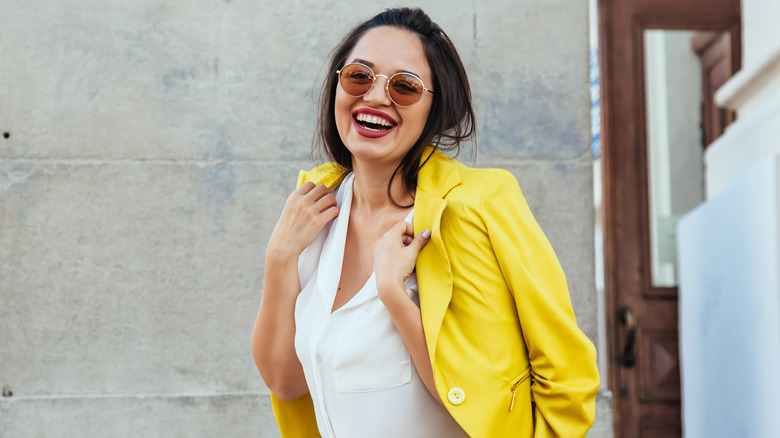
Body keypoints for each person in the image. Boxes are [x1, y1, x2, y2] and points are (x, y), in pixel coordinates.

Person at [251, 7, 599, 438]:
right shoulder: (312, 211)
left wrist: (394, 294)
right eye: (359, 76)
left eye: (405, 87)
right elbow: (286, 384)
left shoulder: (478, 204)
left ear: (436, 109)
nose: (376, 98)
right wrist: (279, 257)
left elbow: (567, 375)